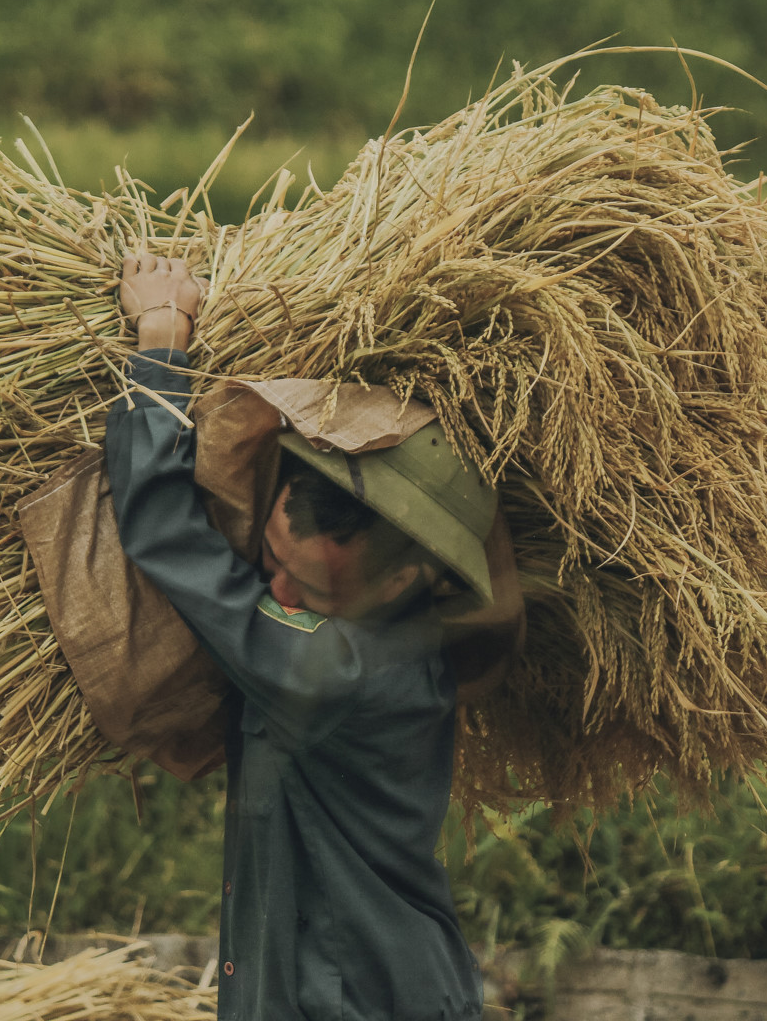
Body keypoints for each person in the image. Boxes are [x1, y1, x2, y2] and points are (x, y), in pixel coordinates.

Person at [104, 253, 495, 1021]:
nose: (271, 595)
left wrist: (161, 337)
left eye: (308, 590)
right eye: (270, 560)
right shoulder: (374, 631)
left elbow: (166, 534)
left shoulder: (339, 669)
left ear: (404, 581)